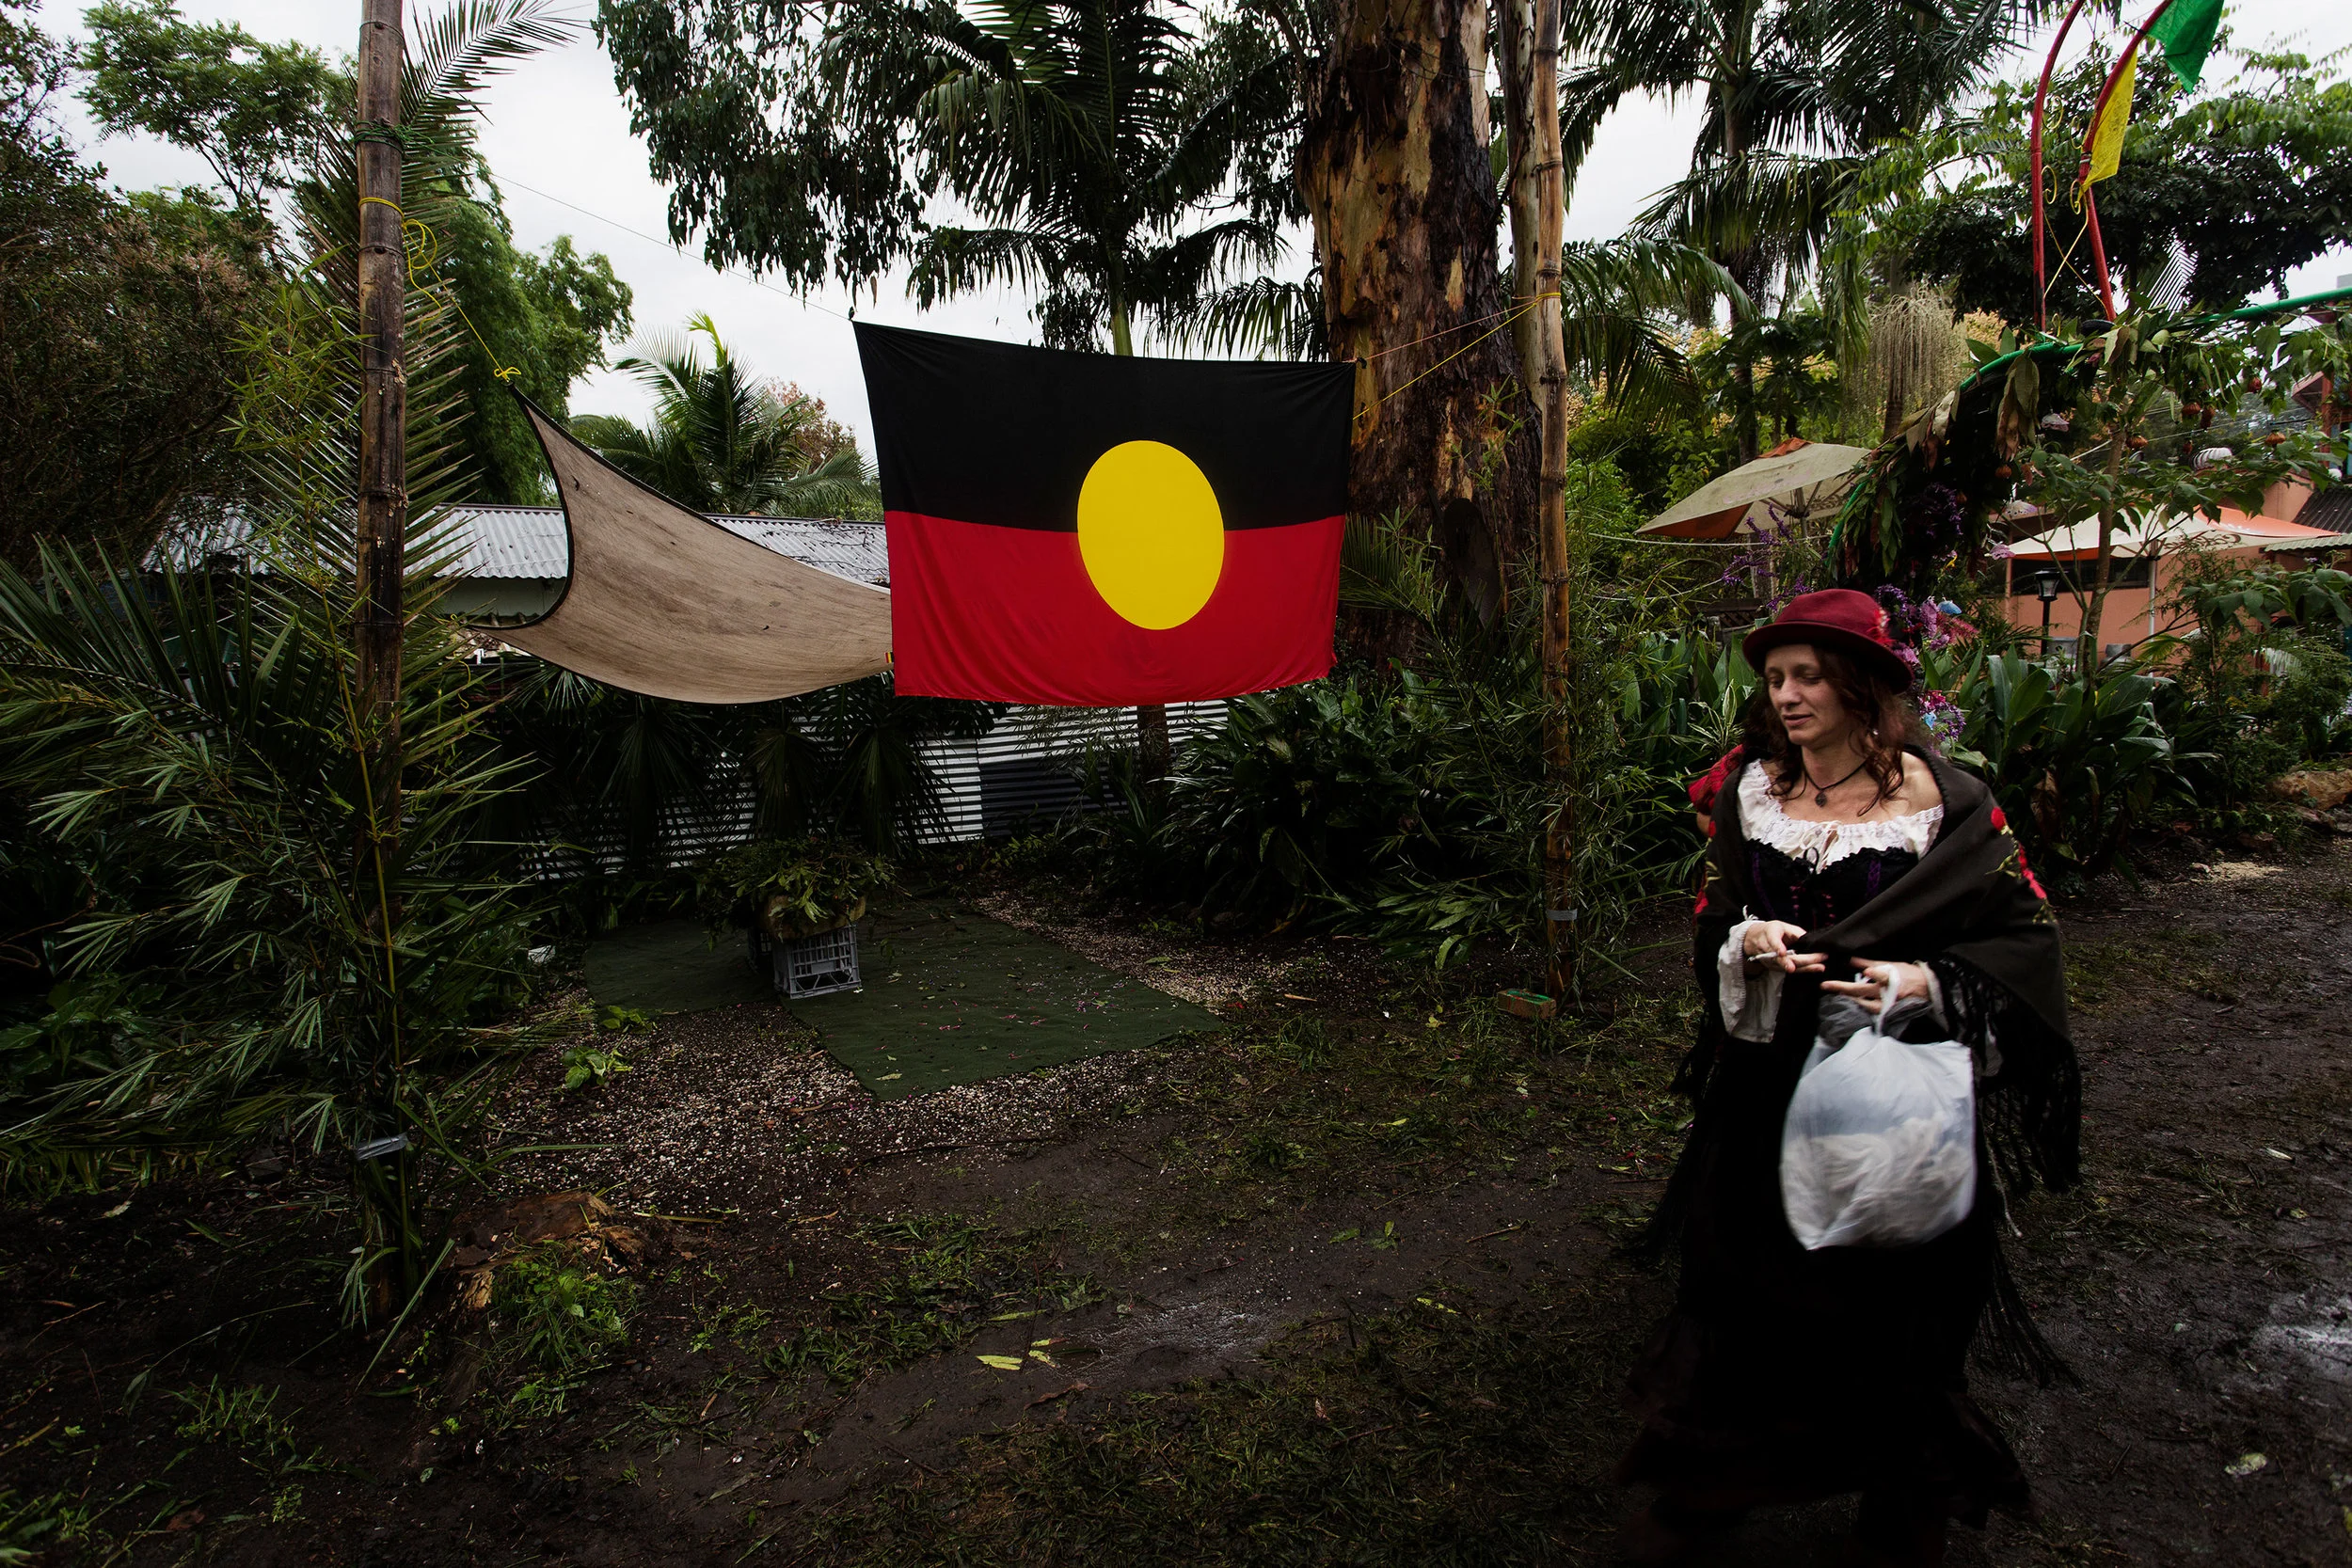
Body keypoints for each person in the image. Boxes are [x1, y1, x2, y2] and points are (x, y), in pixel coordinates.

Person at [1619, 589, 2080, 1566]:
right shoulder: (1751, 794)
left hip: (1895, 1076)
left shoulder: (1946, 804)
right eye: (1776, 678)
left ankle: (1901, 1487)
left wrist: (1923, 979)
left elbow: (2022, 935)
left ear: (1861, 688)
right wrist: (1749, 938)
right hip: (1768, 1074)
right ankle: (1716, 1479)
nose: (1785, 696)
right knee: (1744, 1276)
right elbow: (1714, 918)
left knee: (1896, 1285)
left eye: (1807, 676)